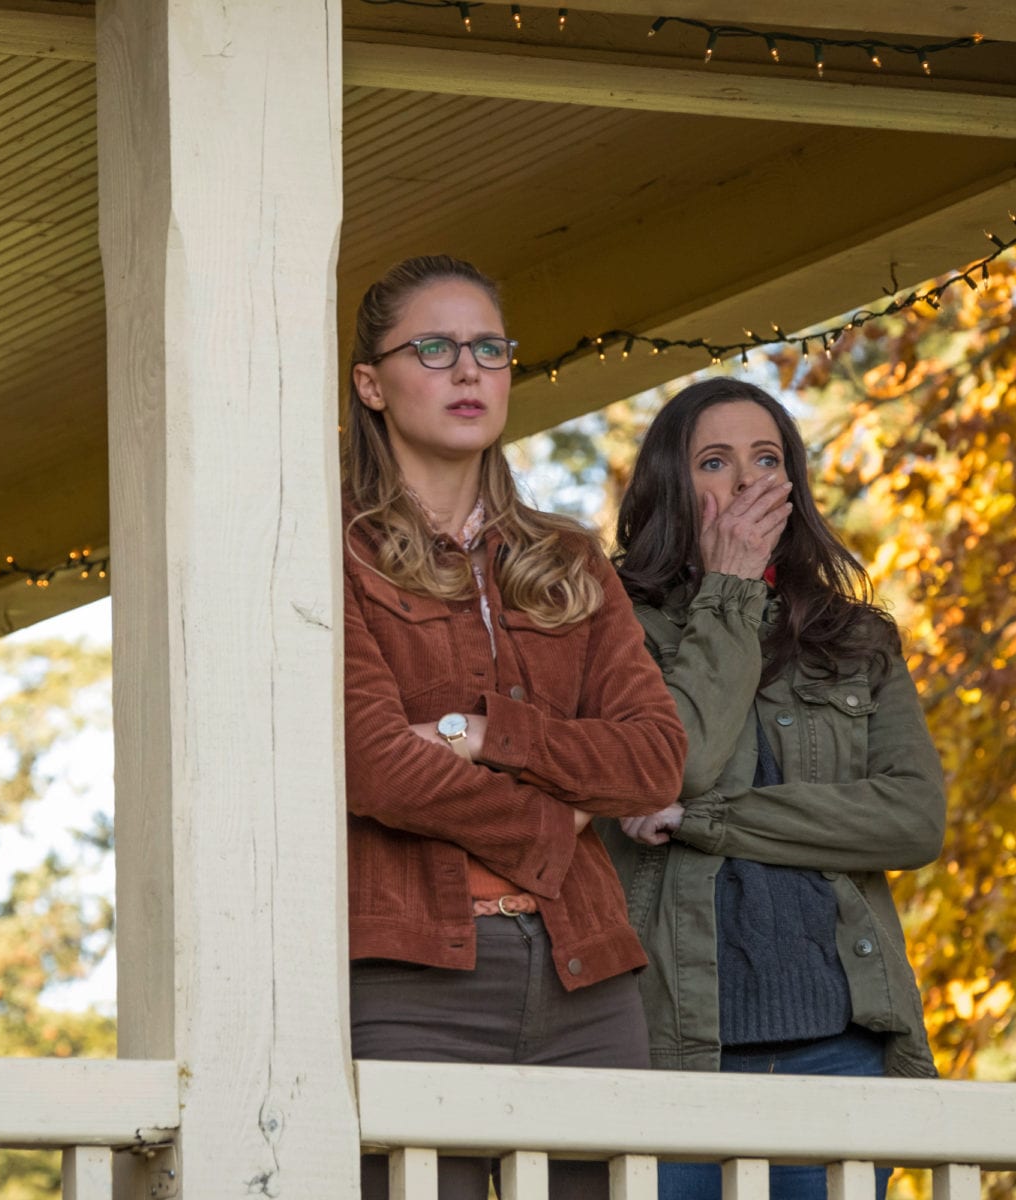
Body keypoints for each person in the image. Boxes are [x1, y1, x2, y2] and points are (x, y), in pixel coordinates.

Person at [342, 255, 688, 1200]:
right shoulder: (333, 551)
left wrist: (482, 733)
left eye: (489, 349)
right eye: (434, 348)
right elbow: (375, 765)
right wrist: (557, 820)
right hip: (412, 979)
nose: (468, 369)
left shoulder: (568, 558)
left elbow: (656, 759)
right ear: (372, 383)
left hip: (588, 977)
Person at [603, 378, 946, 1200]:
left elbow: (913, 819)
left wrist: (707, 820)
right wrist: (728, 589)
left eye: (766, 459)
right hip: (670, 1054)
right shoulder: (612, 627)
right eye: (714, 462)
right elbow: (674, 765)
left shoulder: (854, 639)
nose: (746, 482)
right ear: (670, 486)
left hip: (842, 1049)